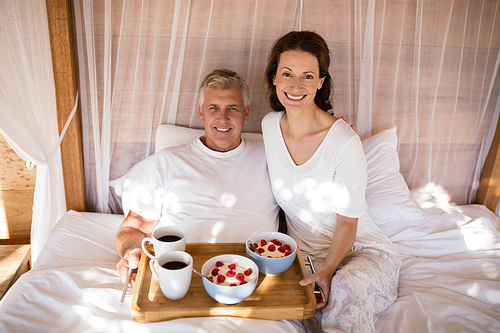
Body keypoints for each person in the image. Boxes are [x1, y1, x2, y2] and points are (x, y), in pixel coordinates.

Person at [262, 31, 401, 332]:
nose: (295, 86)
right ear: (274, 77)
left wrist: (328, 271)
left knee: (346, 295)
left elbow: (348, 223)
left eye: (307, 76)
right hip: (303, 258)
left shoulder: (344, 142)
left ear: (321, 81)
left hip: (359, 251)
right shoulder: (269, 127)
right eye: (287, 74)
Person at [113, 69, 280, 286]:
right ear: (201, 113)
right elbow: (135, 227)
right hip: (184, 276)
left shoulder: (272, 157)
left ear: (246, 113)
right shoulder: (167, 161)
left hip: (260, 276)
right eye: (213, 108)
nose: (223, 118)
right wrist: (131, 253)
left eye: (232, 108)